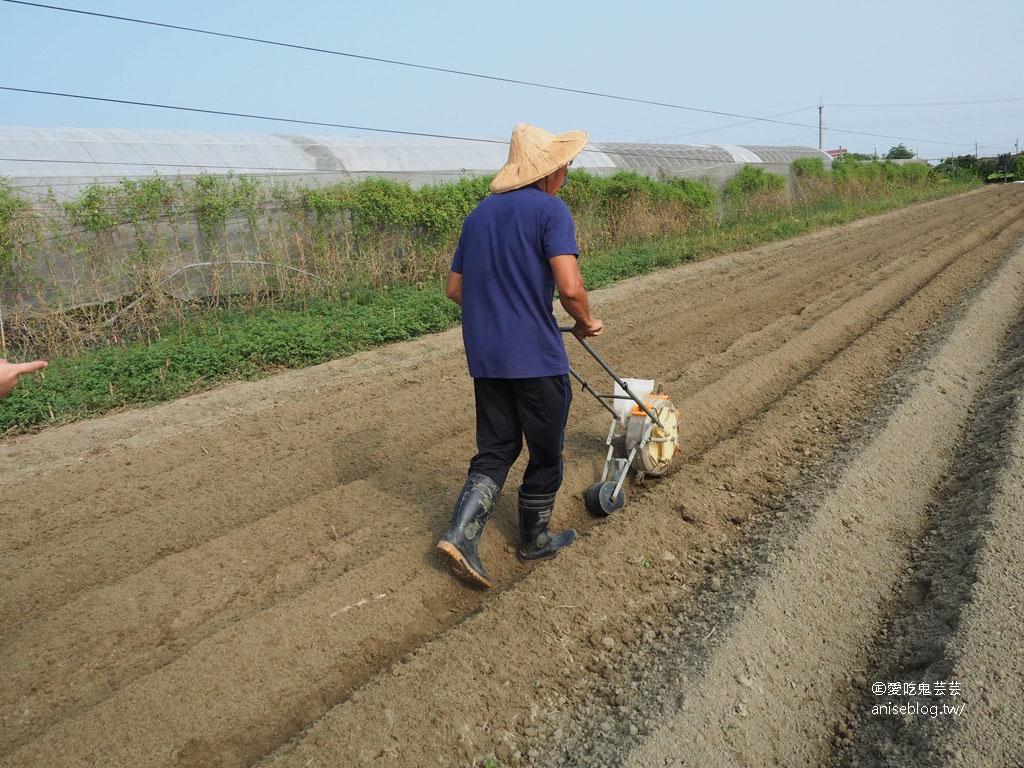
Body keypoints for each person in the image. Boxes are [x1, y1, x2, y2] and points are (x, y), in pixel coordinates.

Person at [437, 123, 603, 589]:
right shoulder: (551, 211)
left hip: (486, 357)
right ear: (549, 171)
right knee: (546, 450)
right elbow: (569, 287)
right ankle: (534, 540)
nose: (567, 172)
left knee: (496, 448)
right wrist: (586, 322)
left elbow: (455, 289)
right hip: (535, 356)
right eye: (564, 165)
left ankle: (460, 535)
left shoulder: (478, 216)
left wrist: (498, 312)